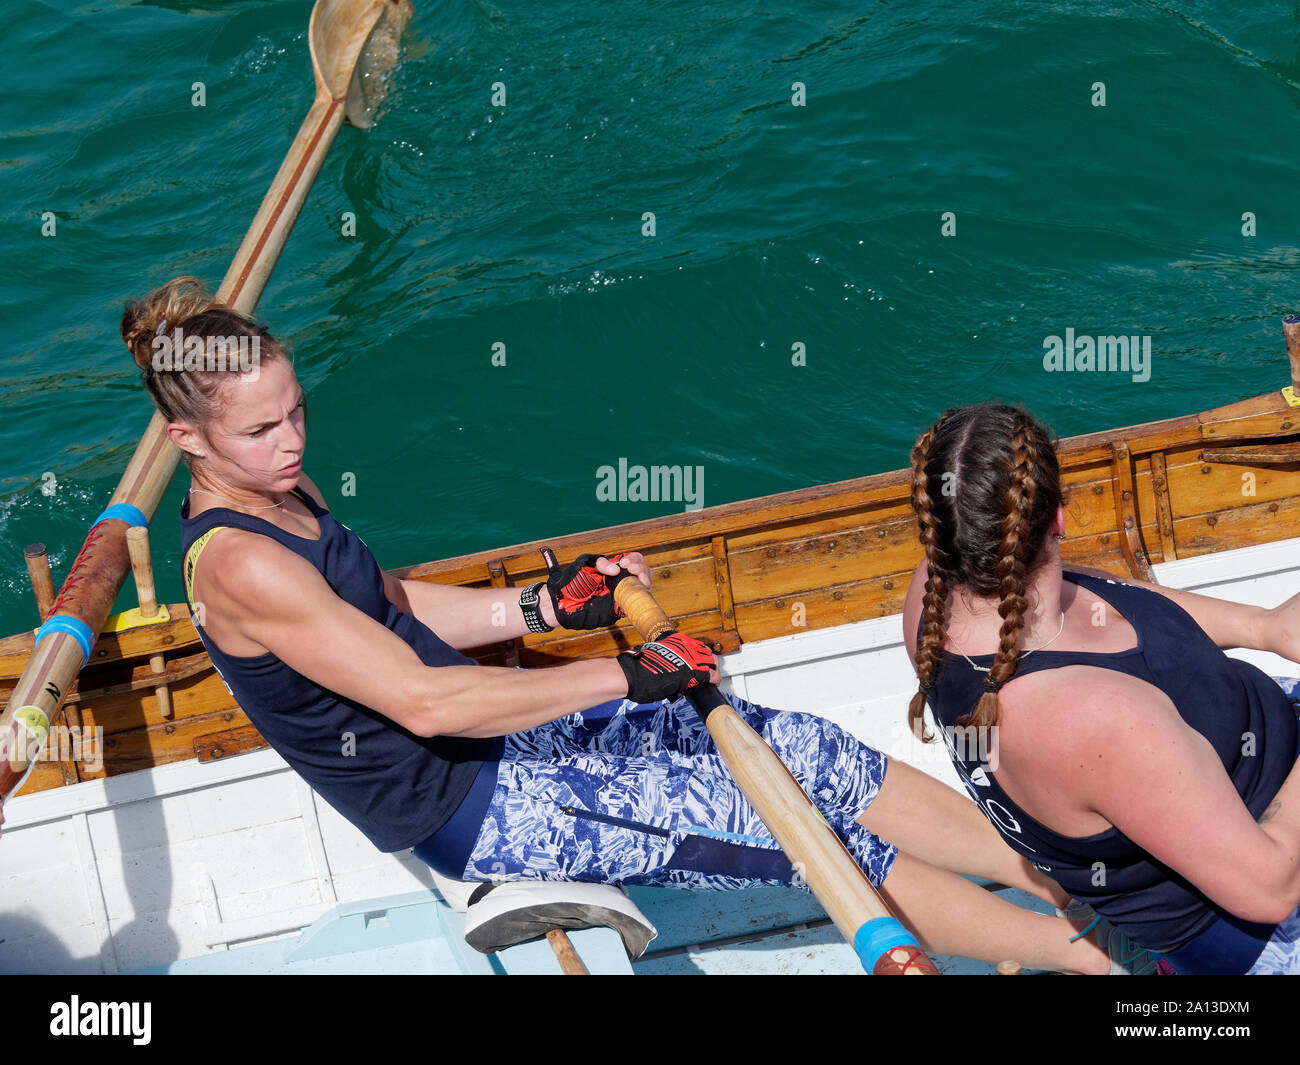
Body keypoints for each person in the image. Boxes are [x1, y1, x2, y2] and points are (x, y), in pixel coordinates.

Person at [123, 277, 1123, 974]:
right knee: (790, 824)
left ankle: (1060, 883)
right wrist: (629, 672)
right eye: (260, 430)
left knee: (800, 748)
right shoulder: (243, 559)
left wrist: (544, 605)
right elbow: (426, 696)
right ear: (184, 440)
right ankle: (1092, 959)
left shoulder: (278, 496)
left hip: (502, 735)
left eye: (295, 410)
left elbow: (385, 604)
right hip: (464, 803)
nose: (292, 440)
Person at [903, 401, 1300, 974]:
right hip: (1263, 923)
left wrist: (1262, 627)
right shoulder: (1090, 719)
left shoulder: (936, 593)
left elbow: (1113, 605)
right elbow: (1271, 889)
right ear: (1060, 517)